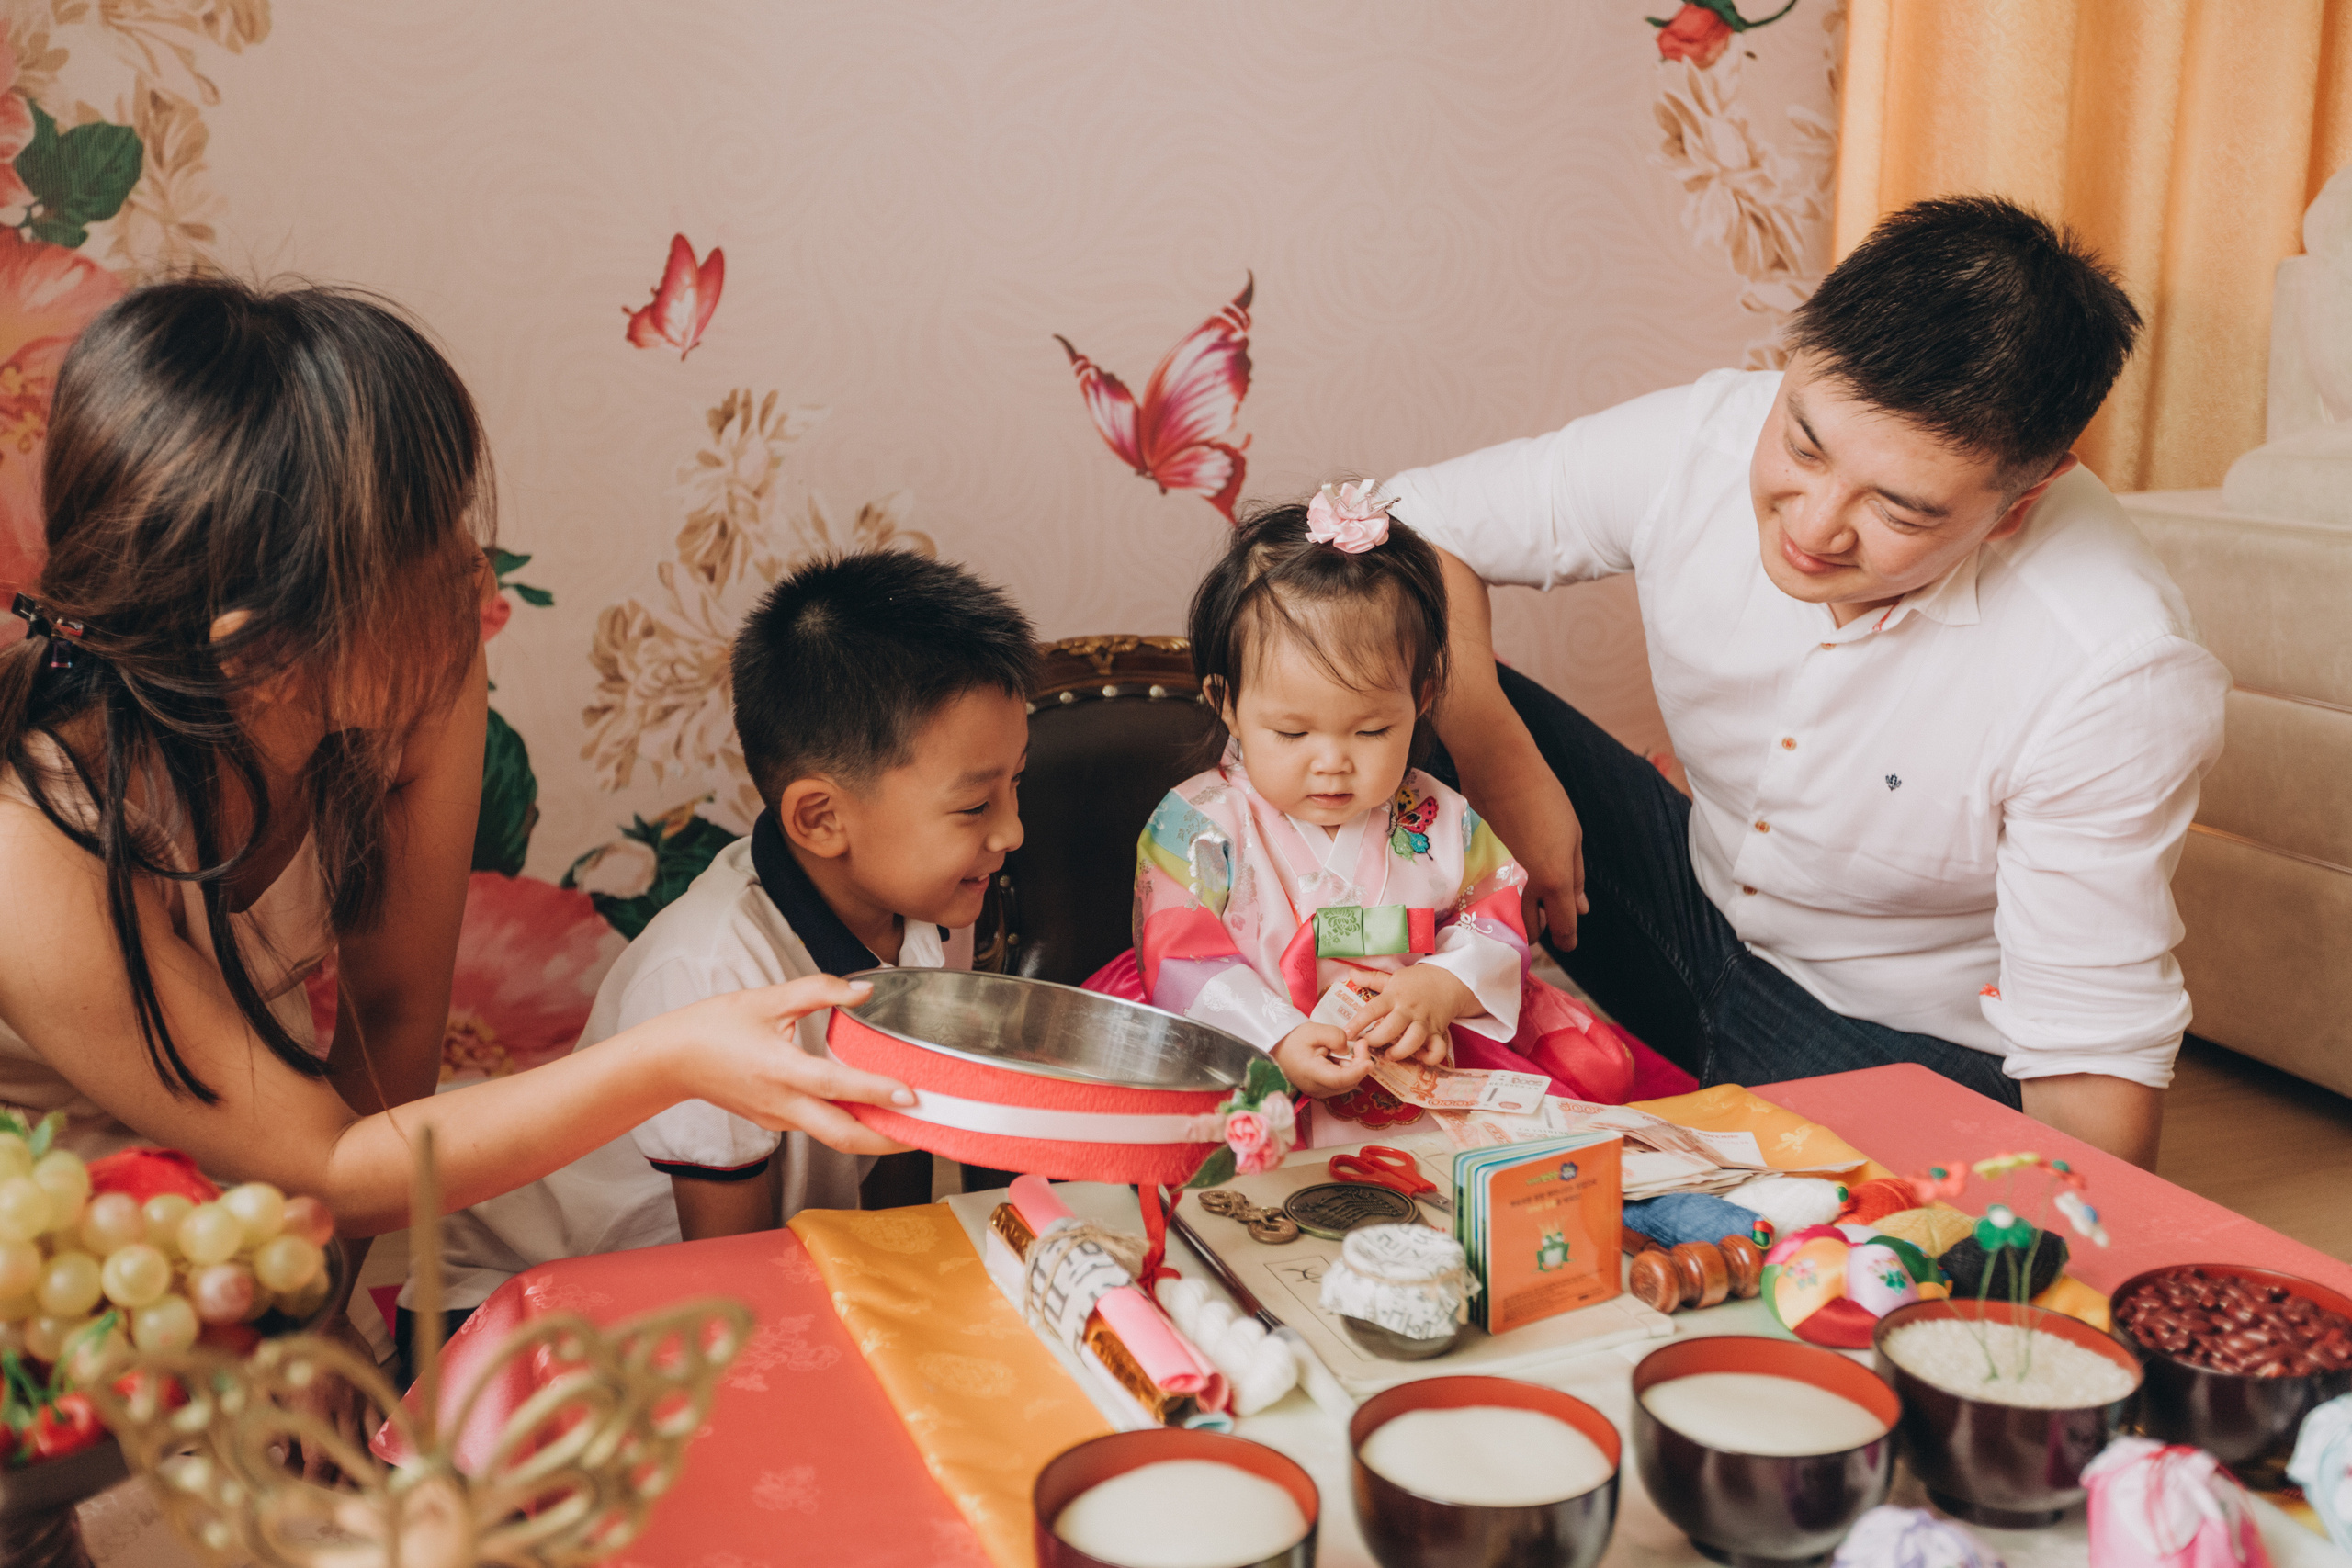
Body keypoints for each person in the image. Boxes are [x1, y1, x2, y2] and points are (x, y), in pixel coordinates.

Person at [0, 279, 916, 1434]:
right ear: (263, 654)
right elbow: (331, 1157)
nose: (474, 585)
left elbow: (389, 1030)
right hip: (46, 1276)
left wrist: (317, 1314)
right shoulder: (32, 852)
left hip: (254, 1220)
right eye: (425, 562)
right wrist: (671, 1056)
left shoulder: (416, 669)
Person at [1382, 196, 2230, 1168]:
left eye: (1899, 511)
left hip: (1886, 1038)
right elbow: (1399, 522)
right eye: (1803, 446)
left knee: (1939, 1252)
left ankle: (1699, 1115)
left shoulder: (2110, 665)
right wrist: (1501, 769)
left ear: (2016, 505)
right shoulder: (1703, 435)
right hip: (1682, 909)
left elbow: (2092, 1050)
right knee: (1374, 674)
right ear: (1792, 365)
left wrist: (2083, 1251)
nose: (1815, 528)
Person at [425, 550, 1032, 1323]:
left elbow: (893, 1155)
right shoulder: (714, 971)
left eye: (1021, 781)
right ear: (820, 818)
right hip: (523, 1301)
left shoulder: (938, 903)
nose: (1013, 829)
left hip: (728, 1275)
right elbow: (731, 1293)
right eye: (976, 806)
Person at [1095, 485, 1634, 1135]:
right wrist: (1280, 1036)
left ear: (1422, 697)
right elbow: (1183, 957)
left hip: (1414, 1061)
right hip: (1249, 1059)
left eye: (1371, 731)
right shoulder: (1197, 824)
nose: (1332, 762)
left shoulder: (1437, 817)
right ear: (1227, 702)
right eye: (1292, 734)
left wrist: (1441, 986)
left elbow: (1492, 915)